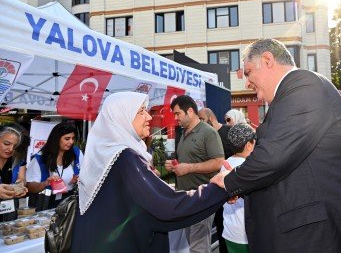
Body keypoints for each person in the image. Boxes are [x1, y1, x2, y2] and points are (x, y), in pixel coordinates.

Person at [211, 38, 341, 252]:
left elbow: (274, 156)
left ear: (268, 60)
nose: (247, 82)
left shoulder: (304, 85)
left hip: (320, 235)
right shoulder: (292, 93)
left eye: (249, 72)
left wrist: (230, 182)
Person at [72, 92, 228, 253]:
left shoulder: (108, 155)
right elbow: (167, 206)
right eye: (141, 111)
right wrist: (220, 187)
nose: (148, 117)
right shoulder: (126, 157)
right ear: (122, 117)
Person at [165, 95, 225, 253]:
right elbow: (187, 160)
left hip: (202, 198)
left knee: (198, 248)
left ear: (190, 111)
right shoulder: (184, 133)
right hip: (186, 198)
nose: (175, 118)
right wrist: (174, 165)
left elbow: (218, 162)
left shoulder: (208, 132)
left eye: (178, 114)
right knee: (192, 244)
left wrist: (189, 168)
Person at [198, 107, 233, 253]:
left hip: (232, 188)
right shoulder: (204, 135)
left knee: (230, 227)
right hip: (215, 188)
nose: (200, 123)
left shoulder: (228, 131)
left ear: (211, 118)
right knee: (220, 225)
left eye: (202, 119)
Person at [26, 122, 83, 209]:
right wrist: (45, 183)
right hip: (46, 202)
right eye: (67, 139)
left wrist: (77, 179)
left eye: (73, 138)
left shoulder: (76, 153)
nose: (71, 142)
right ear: (56, 139)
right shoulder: (40, 158)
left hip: (70, 200)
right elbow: (29, 187)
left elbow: (84, 174)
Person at [221, 123, 255, 253]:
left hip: (230, 230)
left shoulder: (226, 163)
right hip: (245, 234)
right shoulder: (249, 167)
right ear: (248, 145)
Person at [0, 124, 29, 222]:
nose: (11, 149)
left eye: (15, 146)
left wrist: (20, 186)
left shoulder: (17, 159)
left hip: (9, 209)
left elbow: (22, 179)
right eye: (7, 144)